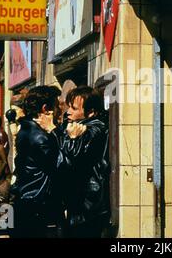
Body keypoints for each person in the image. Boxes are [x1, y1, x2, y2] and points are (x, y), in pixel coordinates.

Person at [10, 85, 64, 238]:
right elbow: (62, 165)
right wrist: (55, 131)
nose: (61, 110)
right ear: (46, 108)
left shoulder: (26, 129)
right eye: (57, 105)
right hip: (38, 206)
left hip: (27, 203)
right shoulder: (40, 137)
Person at [60, 86, 111, 238]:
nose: (68, 112)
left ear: (91, 112)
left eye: (74, 108)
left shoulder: (93, 129)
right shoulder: (75, 127)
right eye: (69, 107)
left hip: (88, 204)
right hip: (78, 202)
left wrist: (72, 139)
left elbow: (71, 159)